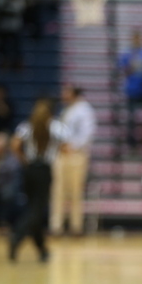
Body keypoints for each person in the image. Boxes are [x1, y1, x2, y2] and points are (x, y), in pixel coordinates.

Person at [10, 99, 69, 262]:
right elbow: (66, 148)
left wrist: (24, 160)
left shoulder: (26, 126)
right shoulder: (57, 126)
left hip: (28, 170)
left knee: (32, 208)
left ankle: (42, 250)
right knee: (36, 210)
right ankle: (17, 235)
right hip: (44, 170)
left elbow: (14, 145)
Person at [50, 86, 96, 237]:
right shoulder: (66, 110)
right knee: (58, 191)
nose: (63, 94)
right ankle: (56, 226)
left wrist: (72, 146)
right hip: (62, 154)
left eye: (66, 92)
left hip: (76, 155)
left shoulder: (85, 110)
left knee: (76, 191)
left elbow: (87, 133)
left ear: (74, 94)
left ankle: (76, 227)